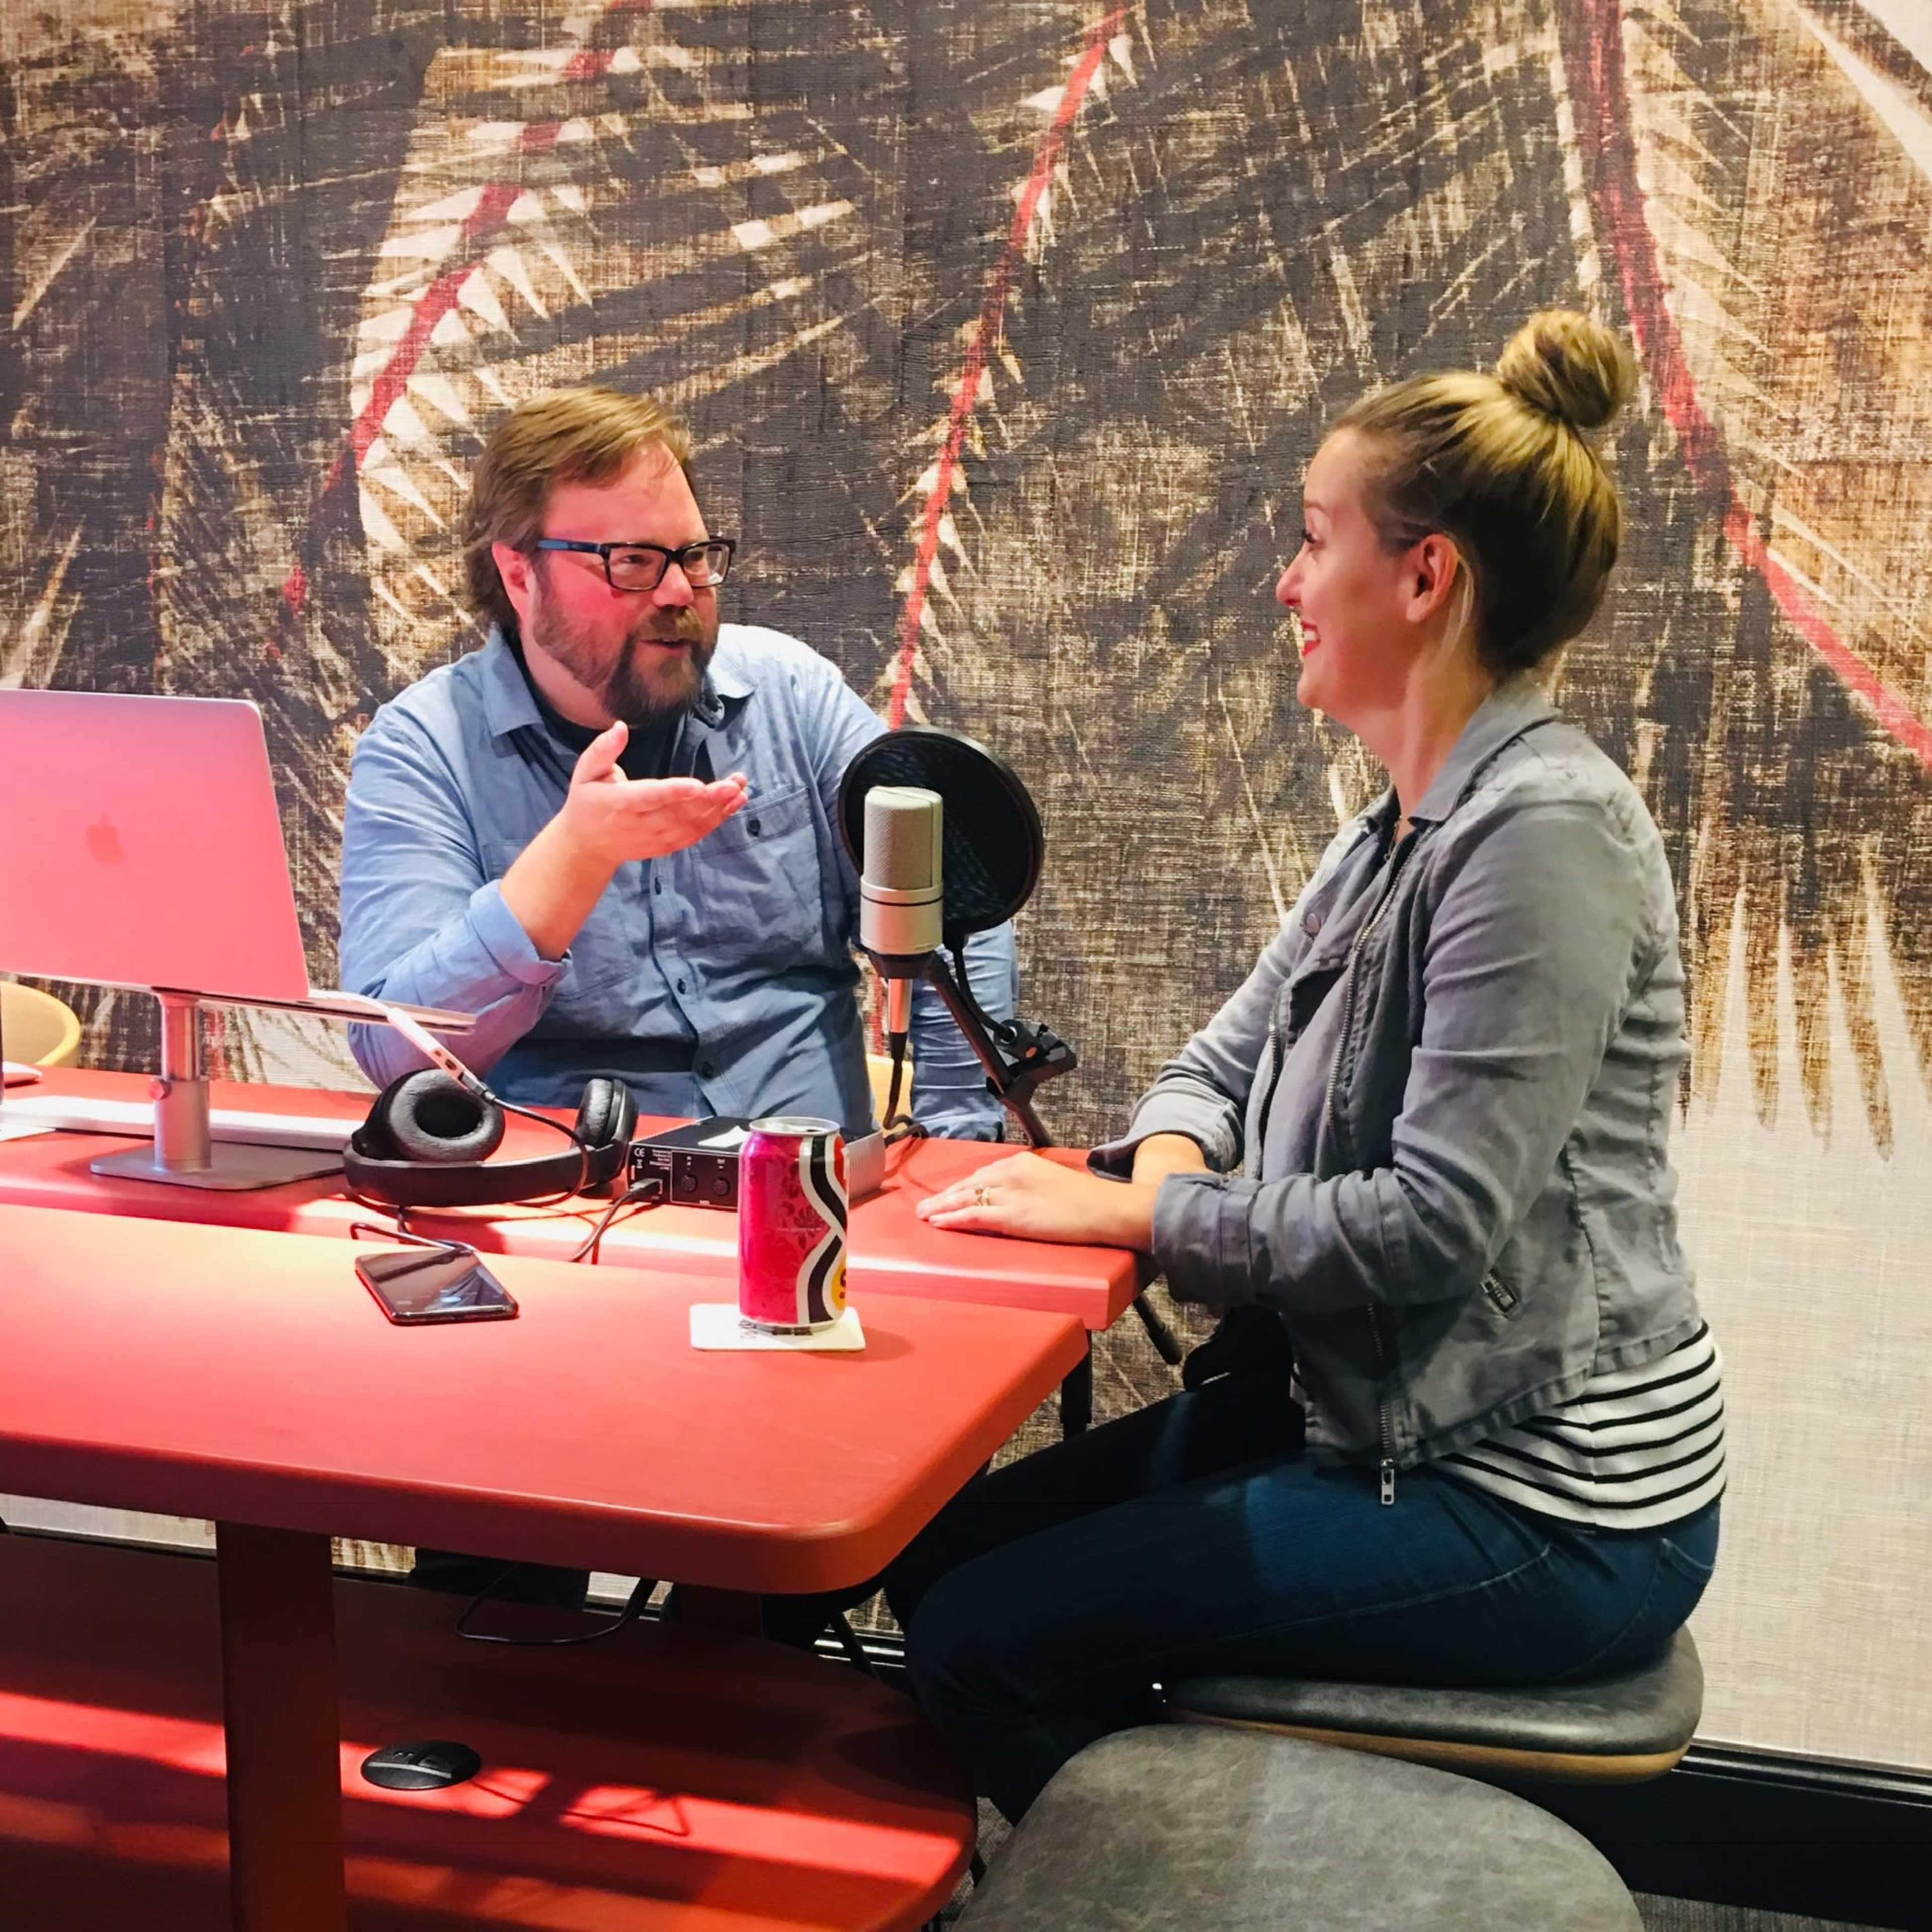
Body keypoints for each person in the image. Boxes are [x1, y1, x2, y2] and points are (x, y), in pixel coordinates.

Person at [894, 310, 1724, 1821]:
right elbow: (1219, 1057)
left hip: (1542, 1502)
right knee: (938, 1555)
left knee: (978, 1646)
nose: (1286, 580)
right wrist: (1162, 1163)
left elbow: (1427, 1229)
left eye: (1311, 537)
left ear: (1424, 577)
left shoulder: (1540, 836)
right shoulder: (1398, 821)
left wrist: (1143, 1215)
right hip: (1375, 1423)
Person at [339, 384, 1015, 1140]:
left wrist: (961, 1136)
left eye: (692, 556)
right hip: (566, 1199)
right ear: (520, 575)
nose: (676, 592)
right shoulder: (426, 748)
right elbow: (395, 1051)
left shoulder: (789, 694)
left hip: (808, 1194)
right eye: (631, 562)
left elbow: (948, 903)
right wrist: (573, 856)